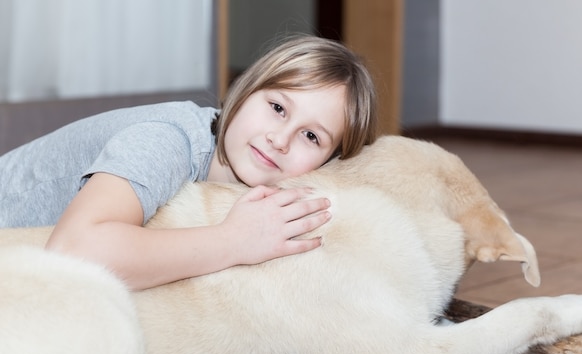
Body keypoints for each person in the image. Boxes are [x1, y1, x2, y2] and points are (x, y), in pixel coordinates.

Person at [0, 35, 378, 290]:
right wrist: (233, 241)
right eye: (277, 107)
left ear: (331, 162)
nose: (279, 140)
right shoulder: (166, 141)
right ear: (244, 92)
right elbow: (73, 251)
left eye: (311, 137)